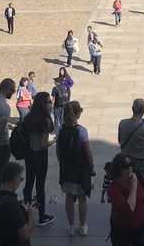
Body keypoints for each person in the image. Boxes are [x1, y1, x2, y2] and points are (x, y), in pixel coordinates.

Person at [57, 101, 95, 236]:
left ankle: (71, 225)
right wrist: (91, 167)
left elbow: (58, 152)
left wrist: (62, 163)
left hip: (67, 168)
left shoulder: (60, 130)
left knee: (69, 197)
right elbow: (88, 152)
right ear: (77, 114)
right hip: (81, 168)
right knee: (82, 197)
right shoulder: (81, 130)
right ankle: (83, 225)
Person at [108, 152, 144, 246]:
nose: (129, 168)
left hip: (141, 227)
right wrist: (134, 186)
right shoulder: (113, 188)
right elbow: (128, 208)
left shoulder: (139, 176)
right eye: (125, 166)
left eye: (131, 164)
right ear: (118, 169)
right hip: (121, 230)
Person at [21, 92, 56, 226]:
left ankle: (26, 212)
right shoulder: (45, 120)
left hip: (29, 153)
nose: (51, 103)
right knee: (40, 185)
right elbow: (43, 143)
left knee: (29, 183)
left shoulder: (28, 117)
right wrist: (54, 141)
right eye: (49, 102)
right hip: (40, 154)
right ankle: (42, 216)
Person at [0, 161, 37, 246]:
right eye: (21, 179)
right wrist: (31, 216)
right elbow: (24, 235)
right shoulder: (12, 205)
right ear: (15, 179)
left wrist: (21, 210)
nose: (20, 182)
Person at [118, 99, 144, 192]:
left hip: (125, 160)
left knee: (126, 185)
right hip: (142, 161)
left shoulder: (122, 123)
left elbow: (120, 140)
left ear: (132, 109)